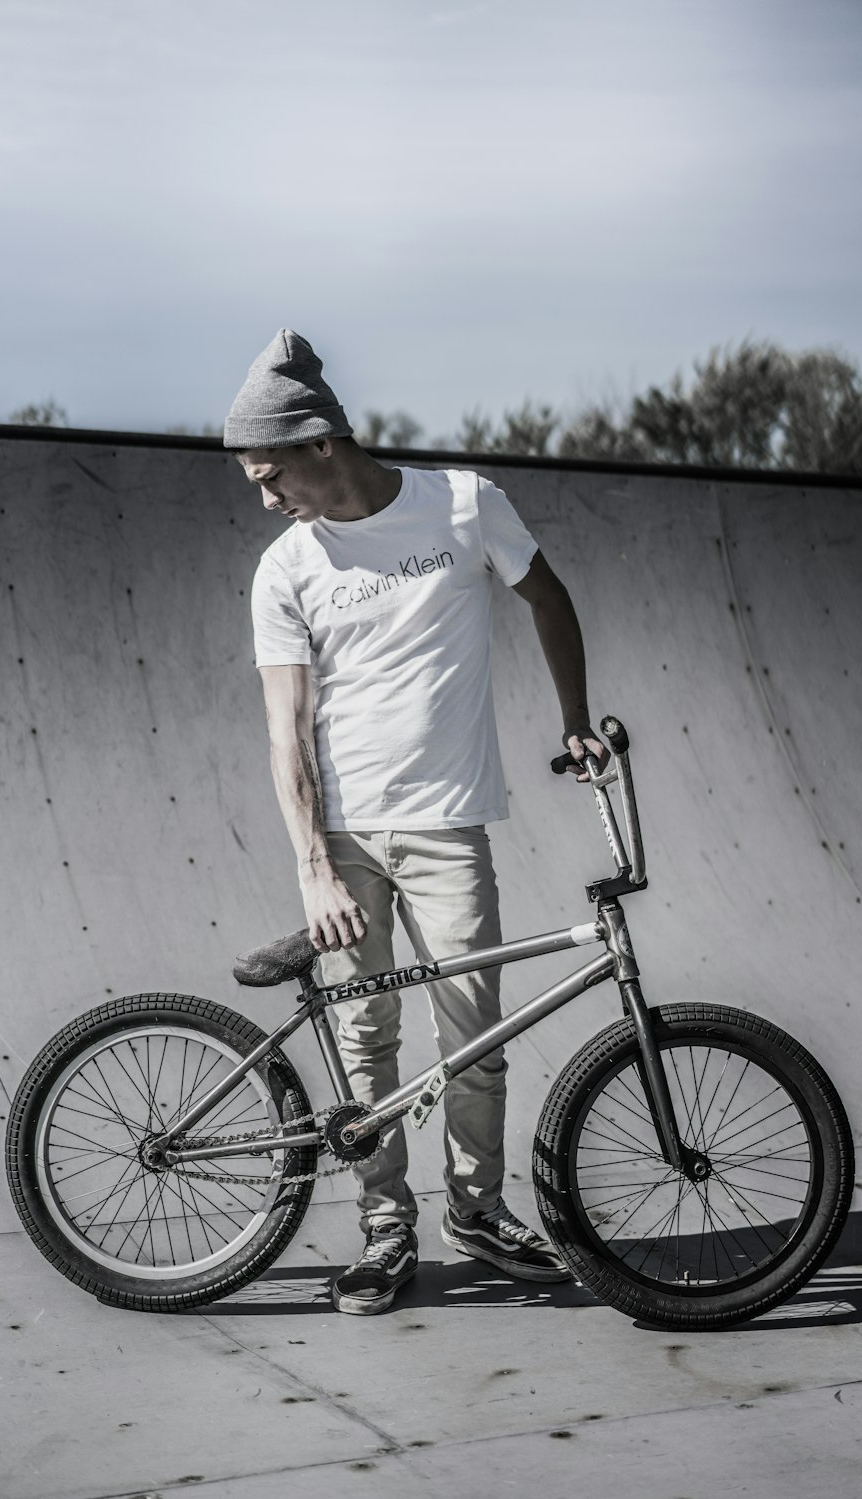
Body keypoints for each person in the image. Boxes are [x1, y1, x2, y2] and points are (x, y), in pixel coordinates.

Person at [225, 329, 606, 1315]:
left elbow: (548, 597)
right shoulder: (285, 568)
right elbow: (287, 729)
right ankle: (383, 1222)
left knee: (476, 1033)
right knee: (365, 1036)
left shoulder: (464, 503)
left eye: (270, 474)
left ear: (320, 442)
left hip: (447, 825)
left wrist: (574, 721)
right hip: (345, 838)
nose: (263, 496)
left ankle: (476, 1211)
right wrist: (312, 864)